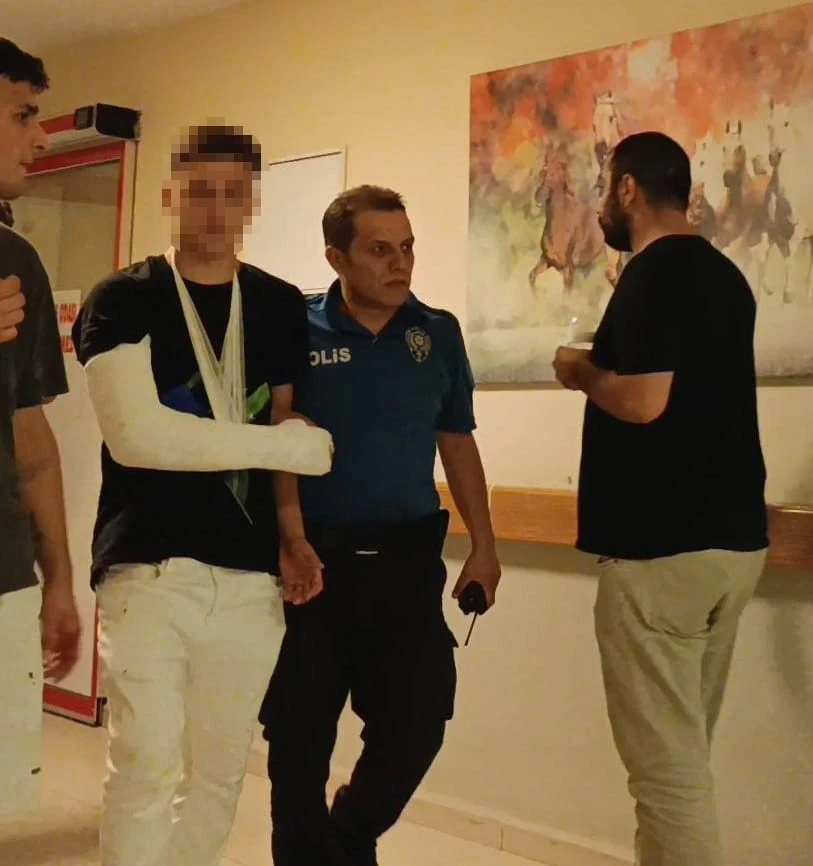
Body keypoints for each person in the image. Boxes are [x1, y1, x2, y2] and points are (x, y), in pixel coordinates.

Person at [71, 125, 334, 866]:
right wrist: (288, 449)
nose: (216, 210)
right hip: (148, 567)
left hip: (248, 574)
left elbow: (281, 422)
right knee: (146, 764)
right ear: (171, 196)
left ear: (251, 202)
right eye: (201, 192)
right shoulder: (125, 298)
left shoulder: (278, 304)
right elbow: (136, 437)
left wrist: (292, 535)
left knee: (218, 776)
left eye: (232, 194)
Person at [260, 185, 502, 866]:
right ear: (336, 257)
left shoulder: (437, 333)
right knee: (298, 740)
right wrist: (290, 540)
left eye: (407, 248)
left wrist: (485, 546)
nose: (400, 264)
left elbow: (456, 442)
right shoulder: (296, 327)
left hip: (405, 565)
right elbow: (276, 435)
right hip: (315, 568)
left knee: (418, 721)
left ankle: (347, 836)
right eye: (379, 250)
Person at [553, 131, 769, 866]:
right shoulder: (725, 277)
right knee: (681, 756)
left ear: (627, 189)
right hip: (732, 545)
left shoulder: (652, 276)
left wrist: (580, 373)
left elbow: (644, 402)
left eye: (603, 189)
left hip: (660, 553)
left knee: (666, 779)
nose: (600, 206)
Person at [0, 37, 80, 819]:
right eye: (24, 115)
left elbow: (32, 445)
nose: (42, 137)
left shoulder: (16, 262)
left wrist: (57, 578)